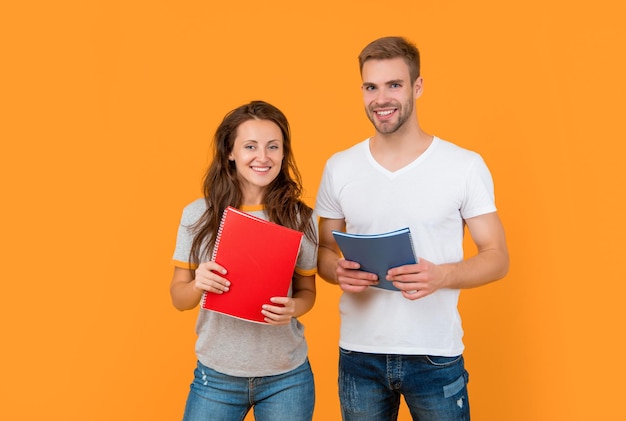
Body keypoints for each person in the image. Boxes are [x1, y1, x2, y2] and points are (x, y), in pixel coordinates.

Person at [315, 36, 510, 420]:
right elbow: (323, 251)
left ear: (417, 87)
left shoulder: (463, 166)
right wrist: (336, 271)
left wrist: (443, 275)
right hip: (359, 355)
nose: (381, 98)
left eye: (394, 85)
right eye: (371, 87)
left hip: (434, 355)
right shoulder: (340, 166)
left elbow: (497, 257)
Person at [170, 100, 318, 421]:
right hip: (216, 376)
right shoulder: (198, 215)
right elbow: (178, 298)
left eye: (273, 147)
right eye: (250, 146)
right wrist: (198, 284)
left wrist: (295, 307)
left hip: (287, 376)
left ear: (283, 153)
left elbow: (307, 291)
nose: (262, 157)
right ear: (230, 152)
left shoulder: (301, 218)